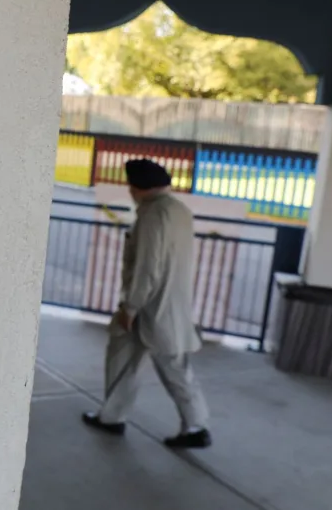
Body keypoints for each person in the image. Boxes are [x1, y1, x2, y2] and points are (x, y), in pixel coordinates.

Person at [81, 159, 212, 449]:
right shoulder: (179, 210)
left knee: (150, 363)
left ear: (137, 187)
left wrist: (131, 306)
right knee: (145, 361)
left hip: (150, 308)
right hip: (169, 306)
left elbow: (148, 266)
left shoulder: (153, 214)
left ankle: (193, 427)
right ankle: (115, 417)